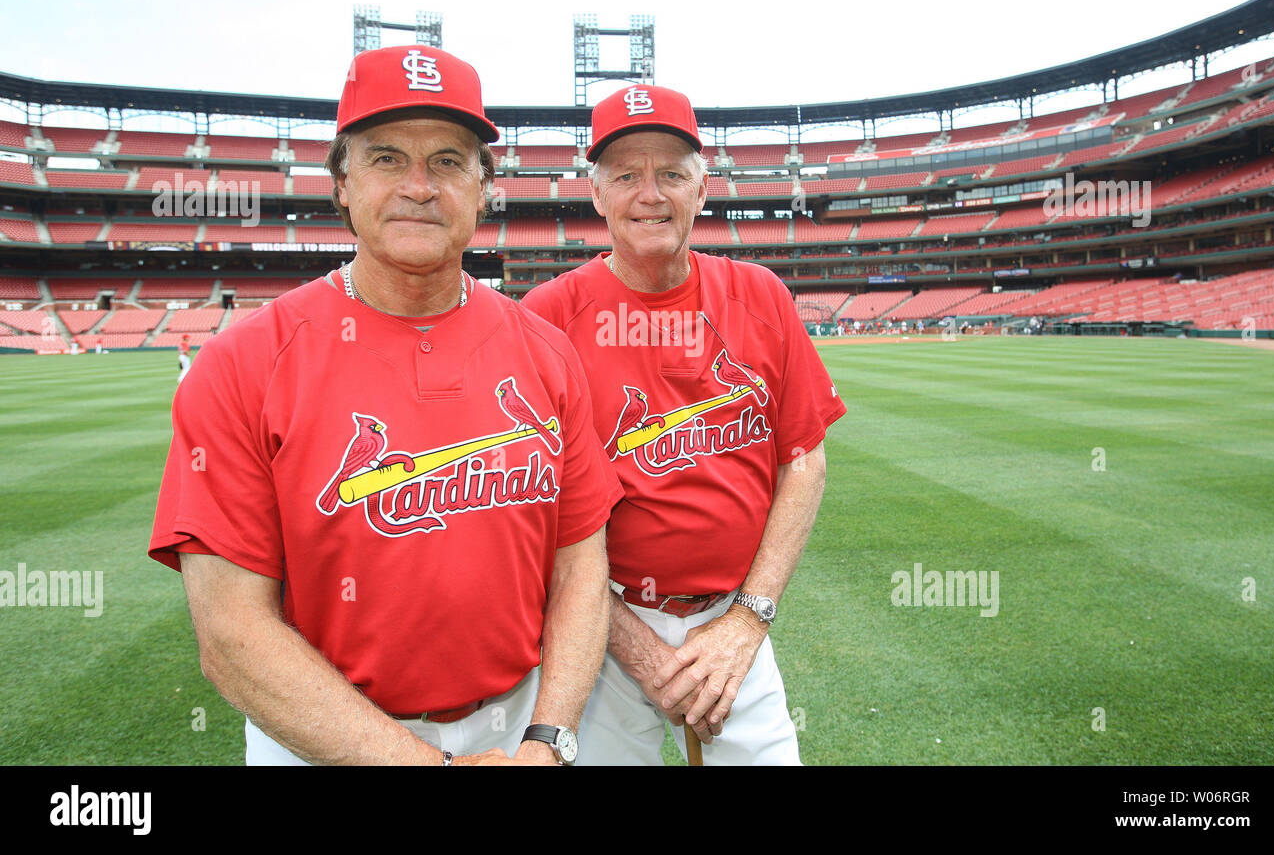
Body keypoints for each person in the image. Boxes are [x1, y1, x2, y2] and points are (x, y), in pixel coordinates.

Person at [150, 45, 621, 766]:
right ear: (341, 182)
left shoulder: (546, 351)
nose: (420, 187)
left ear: (484, 187)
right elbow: (231, 632)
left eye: (449, 161)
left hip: (520, 730)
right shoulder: (241, 364)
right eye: (387, 158)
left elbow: (581, 567)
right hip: (322, 738)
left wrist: (549, 739)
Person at [522, 84, 846, 765]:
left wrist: (746, 622)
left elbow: (804, 461)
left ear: (702, 191)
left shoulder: (759, 295)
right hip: (600, 630)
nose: (650, 193)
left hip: (733, 622)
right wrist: (632, 644)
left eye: (671, 173)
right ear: (598, 195)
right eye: (627, 175)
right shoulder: (548, 317)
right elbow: (535, 513)